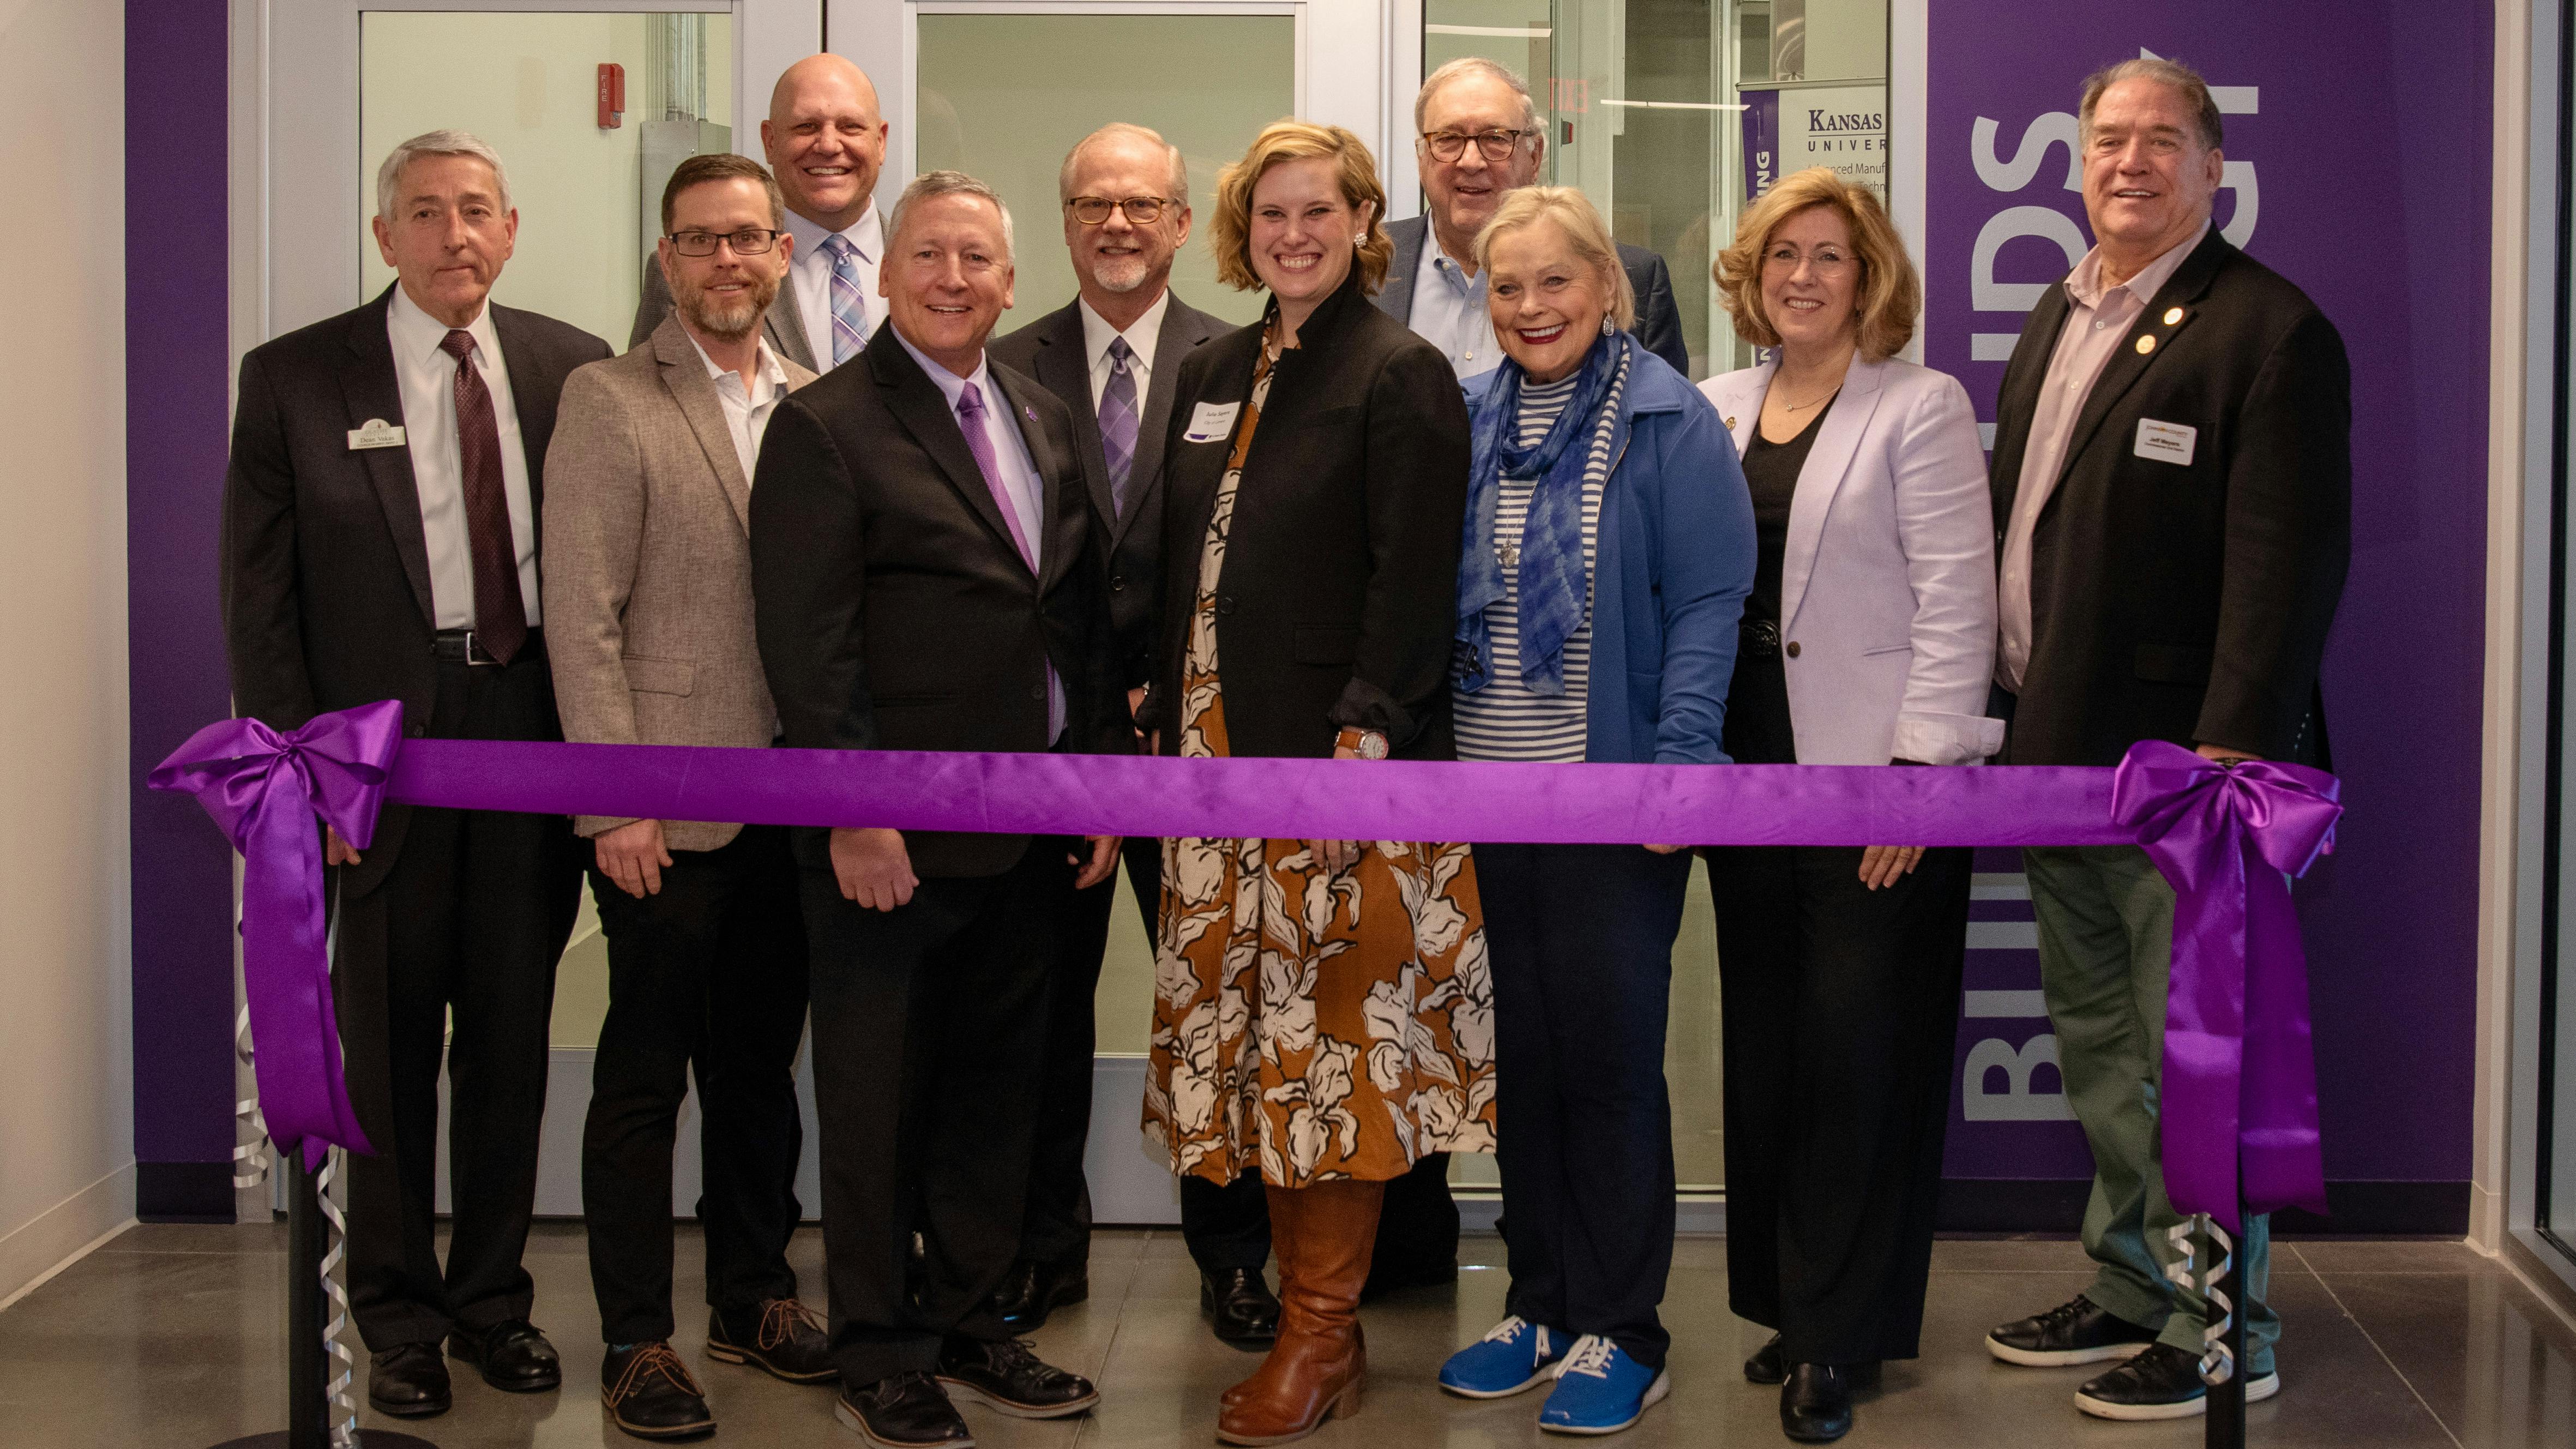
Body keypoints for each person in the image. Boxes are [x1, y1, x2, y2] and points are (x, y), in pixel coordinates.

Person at [1980, 58, 2349, 1423]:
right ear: (2073, 163)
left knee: (2190, 1057)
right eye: (2103, 140)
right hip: (2057, 762)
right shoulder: (2057, 308)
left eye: (2158, 140)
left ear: (2210, 167)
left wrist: (2228, 750)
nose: (2126, 162)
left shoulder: (2266, 331)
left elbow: (2285, 567)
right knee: (2097, 1046)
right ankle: (2134, 1281)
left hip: (2185, 784)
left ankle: (2224, 1325)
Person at [221, 130, 609, 1419]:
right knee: (385, 1041)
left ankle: (492, 1300)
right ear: (384, 236)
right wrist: (305, 777)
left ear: (510, 230)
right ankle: (391, 1314)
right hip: (370, 756)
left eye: (477, 212)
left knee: (508, 1031)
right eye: (427, 213)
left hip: (528, 726)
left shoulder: (571, 368)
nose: (455, 236)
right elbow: (261, 605)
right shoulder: (290, 379)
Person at [750, 169, 1128, 1449]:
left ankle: (972, 1319)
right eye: (928, 256)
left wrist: (1094, 789)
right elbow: (810, 648)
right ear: (887, 273)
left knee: (992, 1093)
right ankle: (879, 1342)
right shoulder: (826, 425)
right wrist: (856, 814)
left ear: (1009, 282)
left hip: (1027, 830)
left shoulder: (1039, 411)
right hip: (887, 846)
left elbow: (1071, 615)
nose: (952, 276)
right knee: (875, 1096)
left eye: (975, 256)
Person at [1132, 119, 1489, 1448]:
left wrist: (1367, 733)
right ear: (1242, 228)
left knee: (1327, 1050)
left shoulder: (1397, 371)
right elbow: (1177, 552)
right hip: (1208, 765)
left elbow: (1411, 574)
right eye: (1270, 214)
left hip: (1334, 768)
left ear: (1358, 222)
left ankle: (1318, 1335)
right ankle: (1299, 1308)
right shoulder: (1215, 366)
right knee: (1252, 1056)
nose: (1293, 233)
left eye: (1317, 211)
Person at [1431, 187, 1752, 1437]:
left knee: (1611, 1065)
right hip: (1486, 789)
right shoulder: (1465, 419)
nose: (1528, 308)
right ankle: (1542, 1302)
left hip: (1614, 793)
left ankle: (1625, 1326)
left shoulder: (1670, 421)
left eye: (1552, 283)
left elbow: (1705, 606)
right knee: (1525, 1061)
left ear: (1603, 289)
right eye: (1506, 288)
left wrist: (1672, 767)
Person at [1695, 167, 2000, 1444]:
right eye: (1780, 257)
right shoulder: (1710, 408)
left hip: (1872, 783)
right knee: (1768, 1043)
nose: (1802, 276)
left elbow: (1955, 602)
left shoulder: (1917, 407)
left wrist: (1922, 783)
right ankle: (1784, 1301)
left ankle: (1841, 1329)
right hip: (1742, 776)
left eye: (1827, 256)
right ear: (1748, 278)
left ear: (1867, 278)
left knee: (1857, 1050)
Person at [544, 153, 830, 1440]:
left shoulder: (817, 399)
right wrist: (613, 800)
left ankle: (753, 1295)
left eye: (747, 240)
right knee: (643, 1075)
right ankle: (634, 1335)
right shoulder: (607, 397)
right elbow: (581, 618)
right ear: (667, 260)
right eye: (699, 241)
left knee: (761, 1071)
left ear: (780, 253)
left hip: (789, 802)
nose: (726, 262)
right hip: (664, 804)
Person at [985, 123, 1272, 1346]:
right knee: (1039, 1007)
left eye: (1139, 204)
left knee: (1212, 1004)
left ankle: (1231, 1255)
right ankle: (1045, 1244)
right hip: (1055, 749)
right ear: (1062, 220)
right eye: (1091, 201)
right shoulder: (1000, 362)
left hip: (1193, 753)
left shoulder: (1245, 356)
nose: (1115, 223)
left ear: (1177, 220)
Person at [1379, 57, 1688, 381]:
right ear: (1421, 158)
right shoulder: (1364, 265)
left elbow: (1666, 421)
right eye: (1448, 139)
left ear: (1535, 156)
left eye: (1496, 138)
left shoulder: (1631, 276)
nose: (1470, 161)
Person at [634, 54, 890, 370]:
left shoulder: (934, 266)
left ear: (880, 142)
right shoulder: (691, 263)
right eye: (806, 126)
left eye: (850, 127)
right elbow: (651, 398)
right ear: (769, 141)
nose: (828, 145)